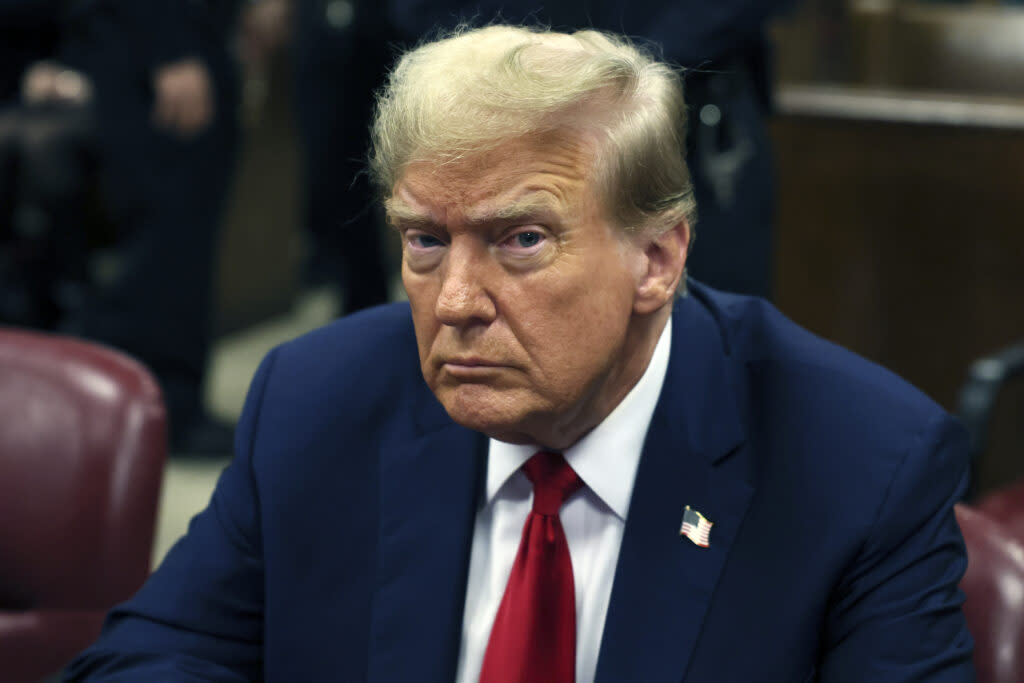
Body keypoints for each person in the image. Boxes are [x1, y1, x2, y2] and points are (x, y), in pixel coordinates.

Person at [66, 25, 973, 682]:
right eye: (424, 241)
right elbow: (148, 657)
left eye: (523, 240)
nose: (455, 303)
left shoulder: (859, 464)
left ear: (656, 259)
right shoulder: (318, 398)